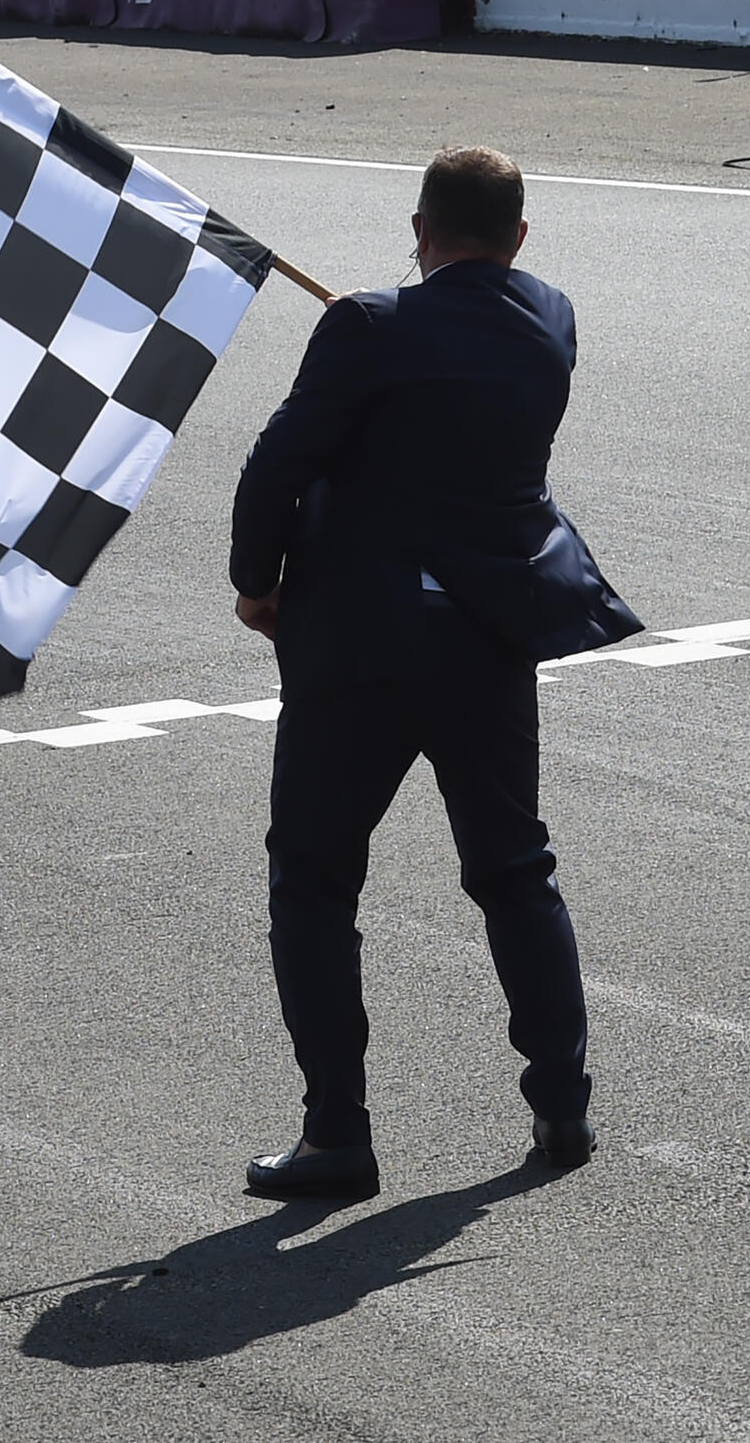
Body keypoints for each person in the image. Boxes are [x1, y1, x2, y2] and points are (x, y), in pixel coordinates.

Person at [228, 146, 643, 1200]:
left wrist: (255, 579)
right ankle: (561, 1102)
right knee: (512, 868)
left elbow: (280, 459)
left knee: (314, 878)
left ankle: (336, 1135)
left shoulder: (368, 325)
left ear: (417, 229)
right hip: (487, 631)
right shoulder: (547, 314)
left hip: (360, 641)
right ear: (515, 238)